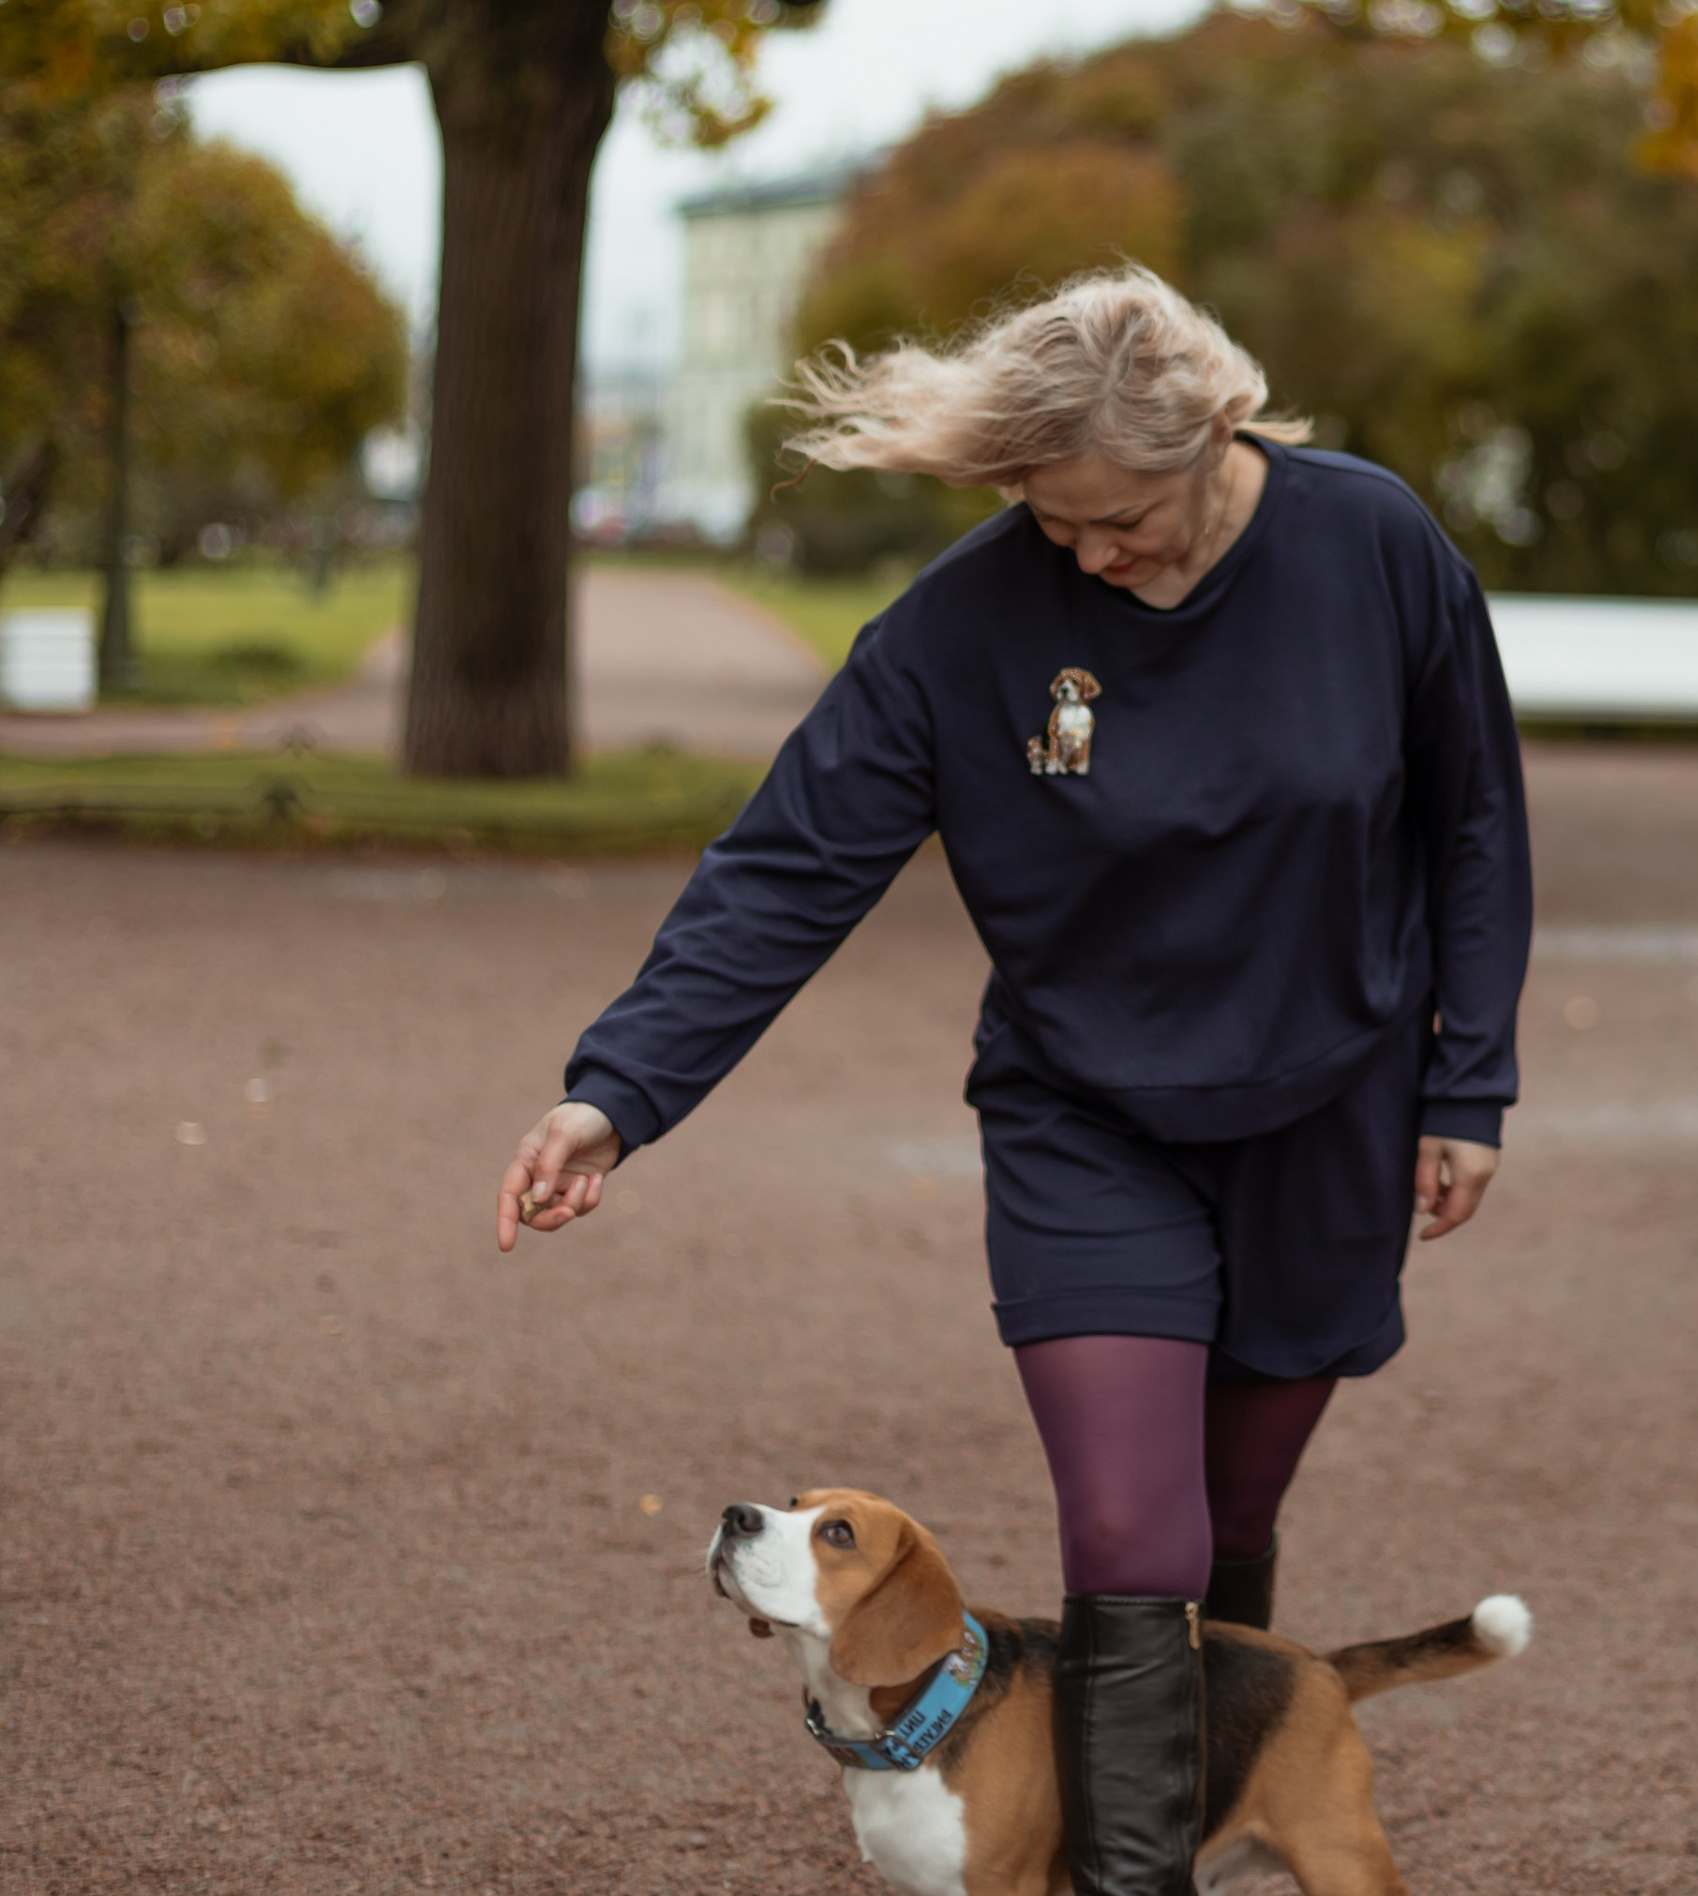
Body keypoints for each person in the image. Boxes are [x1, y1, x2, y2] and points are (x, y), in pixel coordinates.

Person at [495, 268, 1531, 1896]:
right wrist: (616, 1089)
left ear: (1217, 433)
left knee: (1224, 1536)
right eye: (1055, 522)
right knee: (1134, 1537)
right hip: (1086, 1118)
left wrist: (1471, 1081)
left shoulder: (1377, 547)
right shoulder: (966, 626)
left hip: (1328, 1111)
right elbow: (785, 868)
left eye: (1120, 517)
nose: (1091, 555)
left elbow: (1475, 817)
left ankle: (1187, 1798)